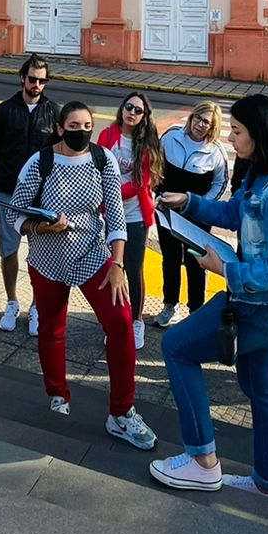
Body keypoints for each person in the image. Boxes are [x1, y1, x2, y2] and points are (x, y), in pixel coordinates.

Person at [149, 94, 268, 502]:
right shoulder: (259, 176)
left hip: (260, 307)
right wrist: (188, 201)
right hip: (259, 305)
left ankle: (202, 460)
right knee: (262, 390)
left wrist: (225, 270)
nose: (231, 138)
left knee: (176, 347)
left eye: (237, 132)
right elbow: (231, 214)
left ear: (257, 135)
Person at [8, 101, 157, 450]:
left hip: (92, 254)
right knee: (51, 328)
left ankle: (122, 412)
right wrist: (41, 227)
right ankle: (57, 395)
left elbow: (116, 218)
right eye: (73, 126)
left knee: (120, 322)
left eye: (87, 124)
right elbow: (16, 214)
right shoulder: (40, 162)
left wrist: (118, 265)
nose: (81, 131)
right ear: (60, 129)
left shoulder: (102, 159)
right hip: (48, 258)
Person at [0, 54, 59, 336]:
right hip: (7, 193)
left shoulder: (54, 111)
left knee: (39, 256)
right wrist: (9, 172)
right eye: (32, 79)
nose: (37, 85)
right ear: (22, 78)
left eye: (42, 81)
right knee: (9, 251)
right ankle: (11, 302)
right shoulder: (5, 110)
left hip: (41, 198)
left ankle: (36, 307)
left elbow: (58, 150)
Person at [152, 101, 230, 328]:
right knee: (170, 258)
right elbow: (156, 164)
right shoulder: (171, 137)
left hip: (196, 215)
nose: (200, 124)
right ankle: (169, 305)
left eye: (207, 121)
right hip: (166, 209)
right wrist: (157, 193)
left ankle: (195, 309)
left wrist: (201, 206)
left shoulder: (215, 152)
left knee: (196, 261)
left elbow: (220, 183)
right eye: (198, 118)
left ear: (213, 126)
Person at [98, 92, 162, 350]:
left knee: (133, 269)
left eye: (138, 110)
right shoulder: (108, 135)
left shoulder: (146, 144)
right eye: (128, 107)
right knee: (110, 268)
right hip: (109, 215)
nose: (132, 113)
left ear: (144, 116)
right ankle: (114, 321)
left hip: (135, 216)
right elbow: (98, 166)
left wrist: (111, 192)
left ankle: (136, 321)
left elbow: (140, 183)